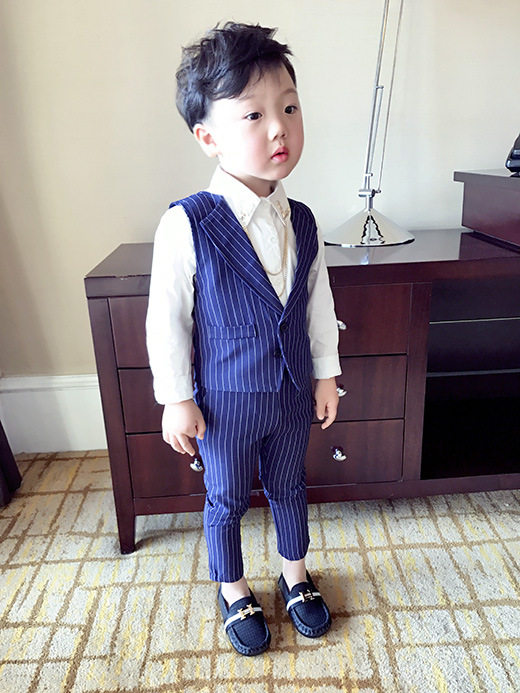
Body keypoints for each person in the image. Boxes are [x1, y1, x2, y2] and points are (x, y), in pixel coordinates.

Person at [146, 22, 341, 656]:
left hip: (289, 392)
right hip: (225, 401)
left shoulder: (302, 220)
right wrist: (176, 398)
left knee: (290, 485)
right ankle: (232, 588)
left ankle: (295, 574)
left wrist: (326, 372)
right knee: (226, 496)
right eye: (253, 115)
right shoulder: (187, 224)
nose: (279, 128)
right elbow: (167, 319)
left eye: (290, 108)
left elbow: (317, 304)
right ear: (208, 137)